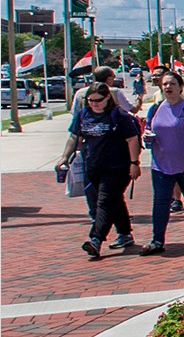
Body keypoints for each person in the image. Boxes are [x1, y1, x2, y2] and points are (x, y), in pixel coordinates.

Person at [55, 82, 142, 258]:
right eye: (90, 100)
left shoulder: (119, 116)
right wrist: (65, 156)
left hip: (117, 167)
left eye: (98, 100)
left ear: (108, 98)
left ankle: (96, 239)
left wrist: (134, 163)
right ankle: (125, 234)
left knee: (104, 202)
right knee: (113, 201)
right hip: (93, 166)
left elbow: (132, 139)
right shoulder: (83, 115)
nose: (94, 103)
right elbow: (75, 137)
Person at [140, 71, 184, 255]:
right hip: (161, 164)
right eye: (164, 84)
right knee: (161, 201)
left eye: (172, 84)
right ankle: (157, 240)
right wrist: (146, 136)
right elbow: (148, 129)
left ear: (181, 87)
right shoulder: (155, 109)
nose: (168, 87)